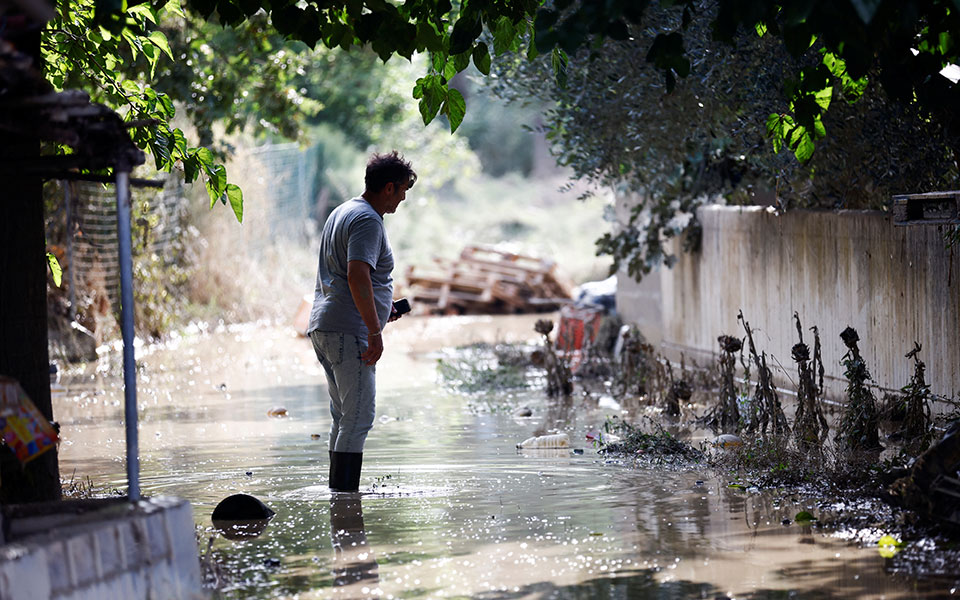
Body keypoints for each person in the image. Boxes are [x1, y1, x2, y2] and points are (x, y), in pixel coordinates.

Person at [307, 151, 416, 492]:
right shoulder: (368, 220)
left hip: (326, 325)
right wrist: (373, 330)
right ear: (388, 187)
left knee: (343, 417)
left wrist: (383, 313)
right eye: (402, 191)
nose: (402, 198)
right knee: (358, 418)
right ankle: (344, 501)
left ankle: (337, 496)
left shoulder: (343, 211)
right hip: (348, 330)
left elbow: (346, 277)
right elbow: (357, 276)